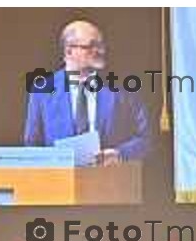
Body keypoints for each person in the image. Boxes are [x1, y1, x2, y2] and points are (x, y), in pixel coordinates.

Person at [24, 20, 150, 164]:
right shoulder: (43, 91)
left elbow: (145, 139)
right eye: (92, 45)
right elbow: (32, 146)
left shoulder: (124, 89)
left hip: (111, 180)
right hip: (60, 182)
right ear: (69, 51)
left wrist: (119, 154)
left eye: (101, 45)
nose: (101, 51)